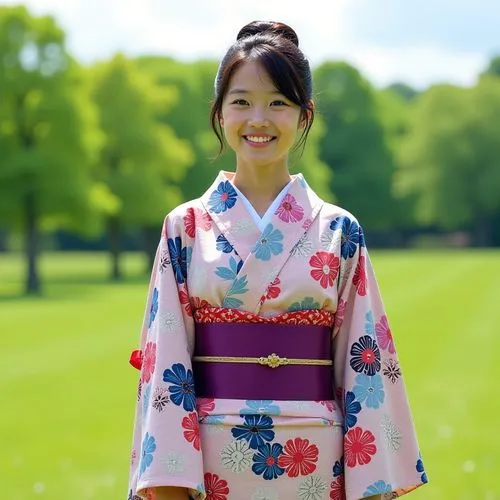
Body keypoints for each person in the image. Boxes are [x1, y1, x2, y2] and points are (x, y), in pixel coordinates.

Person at [127, 21, 428, 500]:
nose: (258, 119)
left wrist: (371, 484)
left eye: (278, 103)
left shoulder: (339, 231)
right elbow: (165, 361)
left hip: (314, 455)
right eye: (241, 101)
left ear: (305, 116)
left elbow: (365, 358)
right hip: (209, 457)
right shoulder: (184, 227)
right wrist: (169, 483)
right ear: (220, 113)